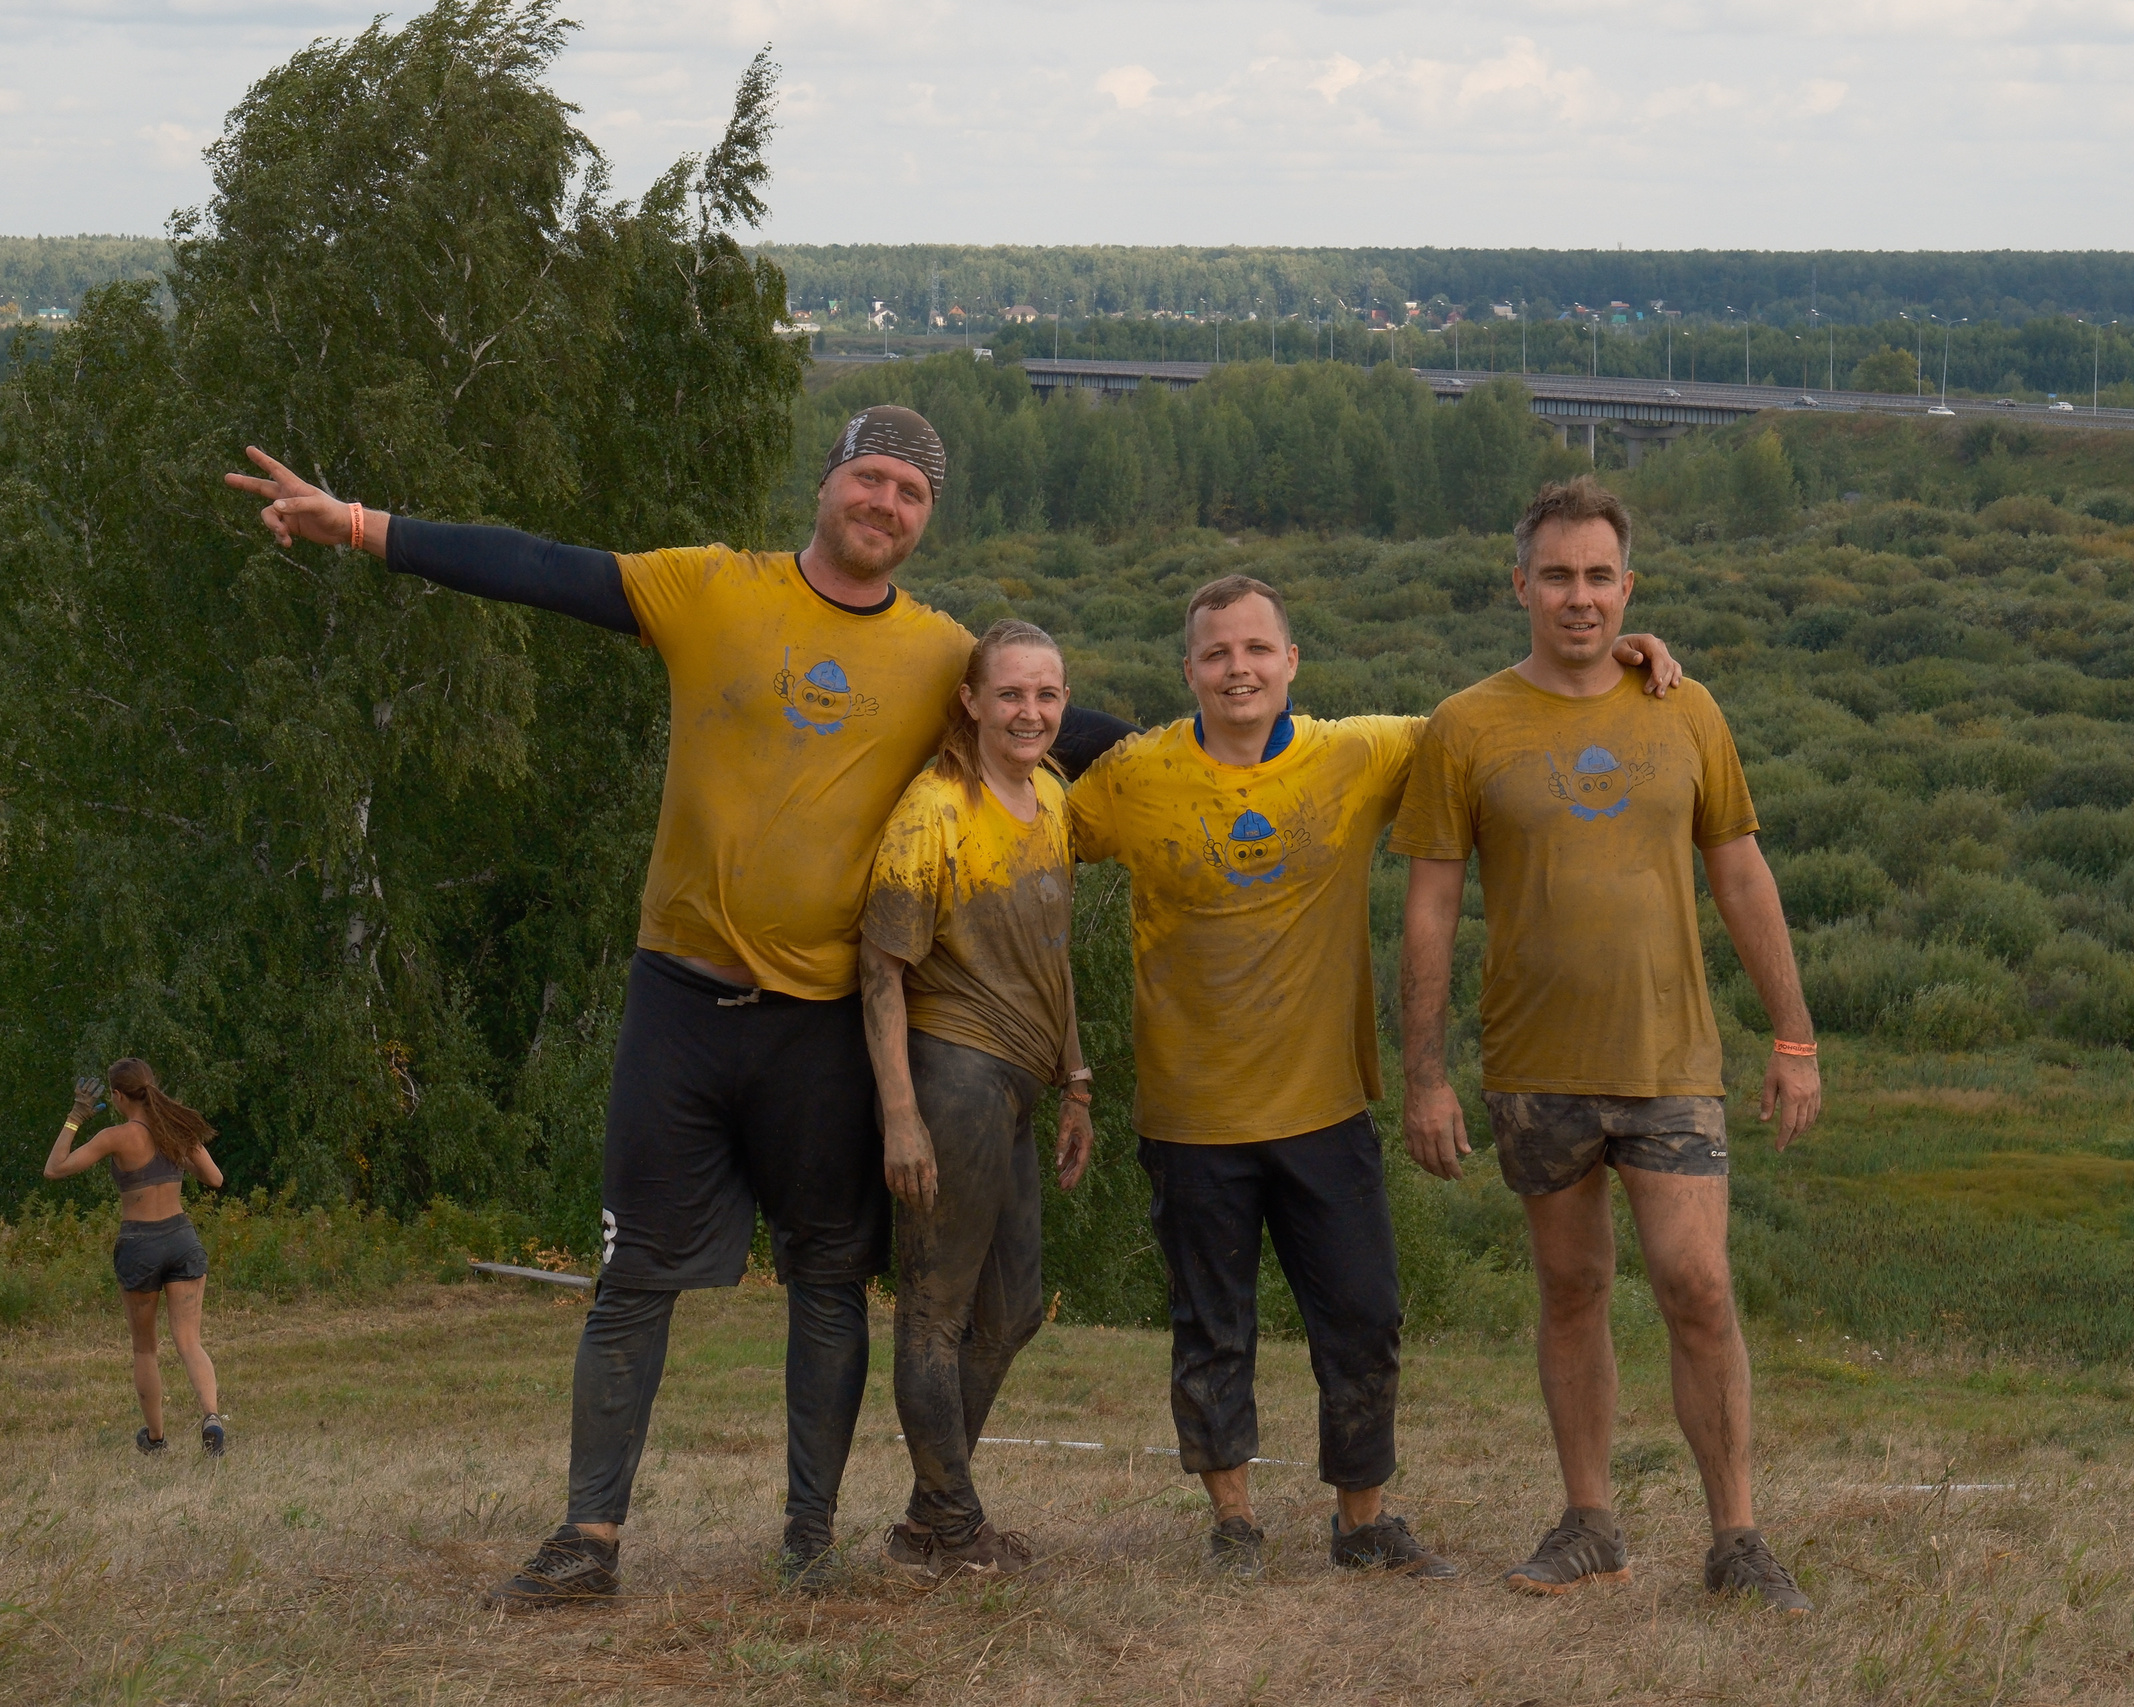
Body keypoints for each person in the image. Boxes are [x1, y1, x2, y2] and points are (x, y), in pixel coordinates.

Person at [225, 409, 1137, 1606]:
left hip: (822, 1020)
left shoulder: (942, 658)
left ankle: (806, 1544)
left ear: (927, 518)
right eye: (870, 479)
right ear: (828, 482)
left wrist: (1243, 758)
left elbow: (1082, 742)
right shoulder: (710, 588)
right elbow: (541, 570)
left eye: (912, 494)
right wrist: (354, 524)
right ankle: (585, 1541)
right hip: (682, 1002)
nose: (886, 506)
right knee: (634, 1280)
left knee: (827, 1281)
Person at [1066, 573, 1683, 1580]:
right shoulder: (1134, 776)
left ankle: (1363, 1523)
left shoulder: (1354, 753)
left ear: (1291, 662)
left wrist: (1604, 655)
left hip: (1324, 1104)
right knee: (1210, 1325)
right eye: (1216, 653)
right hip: (1188, 1110)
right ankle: (1233, 1528)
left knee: (1362, 1314)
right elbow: (1031, 813)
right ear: (1188, 670)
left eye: (1257, 649)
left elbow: (1488, 720)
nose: (1238, 669)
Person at [1394, 476, 1823, 1614]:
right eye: (1556, 576)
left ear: (1627, 588)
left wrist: (1794, 1035)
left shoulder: (1685, 708)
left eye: (1598, 577)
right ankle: (1590, 1521)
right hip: (1533, 1065)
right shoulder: (1465, 725)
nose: (1577, 598)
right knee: (1571, 1285)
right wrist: (1424, 1076)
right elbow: (1430, 908)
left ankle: (1736, 1535)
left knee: (1696, 1284)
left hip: (1671, 1059)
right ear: (1518, 584)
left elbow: (1739, 871)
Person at [858, 619, 1094, 1580]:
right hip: (951, 1072)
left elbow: (1053, 955)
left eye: (1046, 694)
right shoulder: (934, 810)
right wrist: (899, 1114)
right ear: (972, 699)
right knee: (935, 1312)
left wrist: (1076, 1081)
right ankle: (951, 1526)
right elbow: (879, 967)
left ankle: (930, 1515)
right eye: (1009, 694)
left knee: (1014, 1309)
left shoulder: (1051, 795)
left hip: (1023, 1083)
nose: (1029, 711)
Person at [44, 1059, 228, 1457]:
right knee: (189, 1341)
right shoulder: (176, 1130)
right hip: (182, 1239)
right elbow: (214, 1179)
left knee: (145, 1349)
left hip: (140, 1245)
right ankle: (211, 1416)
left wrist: (76, 1117)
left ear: (117, 1095)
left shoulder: (117, 1136)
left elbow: (54, 1168)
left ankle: (157, 1439)